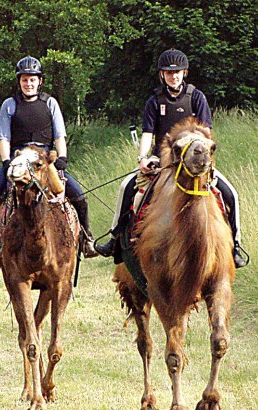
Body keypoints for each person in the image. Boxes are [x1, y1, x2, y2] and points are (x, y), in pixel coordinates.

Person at [94, 48, 248, 268]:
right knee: (126, 188)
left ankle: (236, 245)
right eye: (168, 73)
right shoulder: (154, 101)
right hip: (164, 162)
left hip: (194, 164)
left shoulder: (196, 97)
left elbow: (206, 132)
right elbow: (148, 133)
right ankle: (115, 239)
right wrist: (143, 158)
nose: (173, 76)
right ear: (162, 75)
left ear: (184, 73)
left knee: (230, 193)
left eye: (177, 73)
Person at [0, 55, 98, 259]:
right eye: (24, 79)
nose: (29, 83)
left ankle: (88, 239)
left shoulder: (50, 103)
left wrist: (62, 158)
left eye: (32, 79)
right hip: (18, 157)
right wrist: (6, 162)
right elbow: (4, 138)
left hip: (43, 159)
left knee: (78, 195)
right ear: (19, 81)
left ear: (39, 81)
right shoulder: (9, 104)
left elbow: (60, 135)